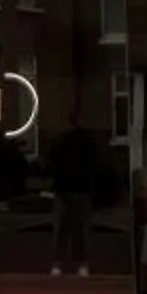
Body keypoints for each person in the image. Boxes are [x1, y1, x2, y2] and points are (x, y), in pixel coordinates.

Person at [48, 118, 104, 276]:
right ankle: (76, 263)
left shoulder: (69, 143)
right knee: (72, 228)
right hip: (74, 189)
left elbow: (53, 162)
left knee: (68, 228)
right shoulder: (84, 143)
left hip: (72, 188)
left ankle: (66, 263)